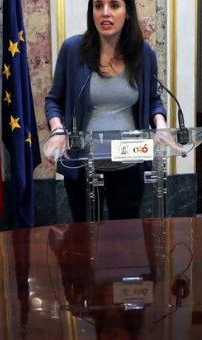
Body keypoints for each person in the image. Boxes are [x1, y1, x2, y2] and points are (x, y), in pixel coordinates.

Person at [45, 0, 168, 222]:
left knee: (124, 241)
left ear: (128, 12)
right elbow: (54, 101)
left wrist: (162, 127)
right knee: (85, 240)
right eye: (98, 6)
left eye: (114, 5)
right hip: (83, 164)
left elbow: (152, 101)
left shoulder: (143, 54)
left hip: (129, 162)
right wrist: (57, 131)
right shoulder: (73, 50)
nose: (105, 13)